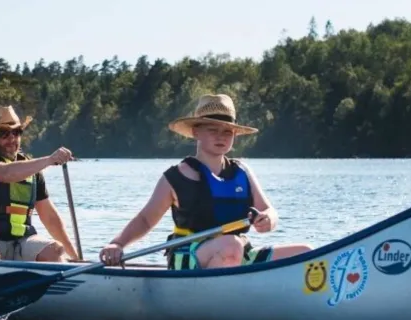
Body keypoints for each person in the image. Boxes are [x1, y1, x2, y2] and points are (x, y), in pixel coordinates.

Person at [99, 94, 312, 269]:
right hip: (189, 256)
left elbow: (269, 210)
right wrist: (117, 244)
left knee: (307, 254)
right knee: (231, 246)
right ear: (196, 132)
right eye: (213, 130)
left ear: (234, 136)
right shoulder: (176, 176)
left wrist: (268, 219)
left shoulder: (243, 171)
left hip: (237, 251)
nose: (221, 136)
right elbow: (145, 219)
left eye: (227, 132)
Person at [0, 105, 80, 262]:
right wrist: (49, 160)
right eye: (3, 133)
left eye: (16, 132)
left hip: (20, 242)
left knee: (55, 250)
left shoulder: (32, 169)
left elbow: (49, 217)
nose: (11, 138)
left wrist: (74, 257)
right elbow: (6, 173)